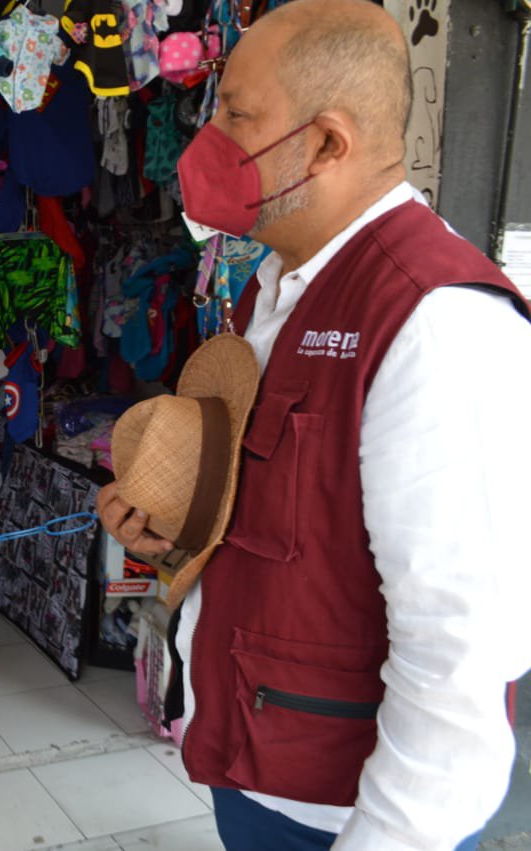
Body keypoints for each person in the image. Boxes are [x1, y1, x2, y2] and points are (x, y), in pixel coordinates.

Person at [96, 1, 531, 849]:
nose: (207, 140)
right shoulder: (275, 289)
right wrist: (177, 534)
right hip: (257, 763)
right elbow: (297, 523)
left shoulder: (437, 324)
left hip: (352, 813)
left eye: (236, 115)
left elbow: (460, 651)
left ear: (328, 143)